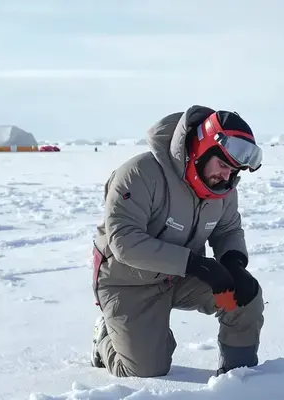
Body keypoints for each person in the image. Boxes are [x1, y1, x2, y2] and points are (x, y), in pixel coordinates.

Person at [90, 106, 265, 377]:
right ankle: (106, 338)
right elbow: (124, 241)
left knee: (243, 300)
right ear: (202, 148)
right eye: (223, 165)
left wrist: (234, 263)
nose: (227, 176)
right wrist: (197, 265)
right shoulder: (140, 174)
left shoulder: (224, 188)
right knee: (146, 368)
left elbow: (228, 229)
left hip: (182, 278)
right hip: (128, 282)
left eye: (234, 171)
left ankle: (238, 379)